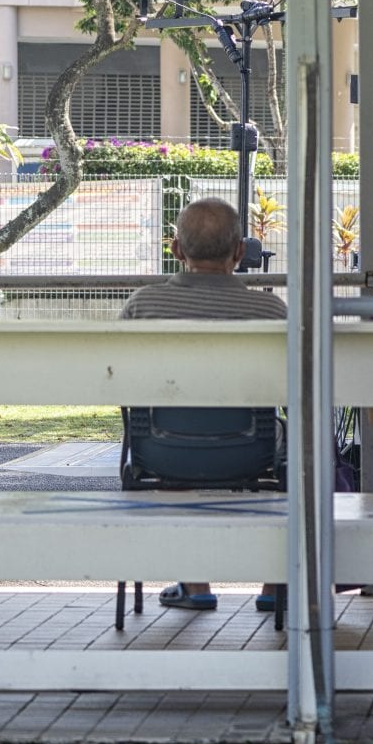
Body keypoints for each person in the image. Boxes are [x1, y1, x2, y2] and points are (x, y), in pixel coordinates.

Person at [120, 197, 286, 613]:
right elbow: (292, 389)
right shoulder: (269, 310)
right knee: (300, 447)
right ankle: (274, 586)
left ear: (176, 250)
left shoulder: (144, 307)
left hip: (160, 450)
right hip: (253, 448)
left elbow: (120, 385)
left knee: (166, 423)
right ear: (239, 252)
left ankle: (196, 585)